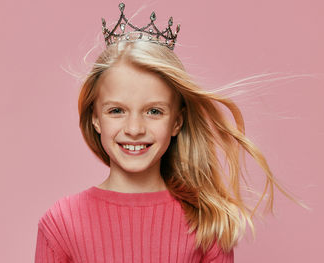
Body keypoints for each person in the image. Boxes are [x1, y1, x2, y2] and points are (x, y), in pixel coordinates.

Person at [34, 3, 299, 263]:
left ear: (177, 122)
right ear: (95, 119)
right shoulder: (61, 223)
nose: (134, 129)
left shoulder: (205, 224)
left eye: (154, 112)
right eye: (116, 111)